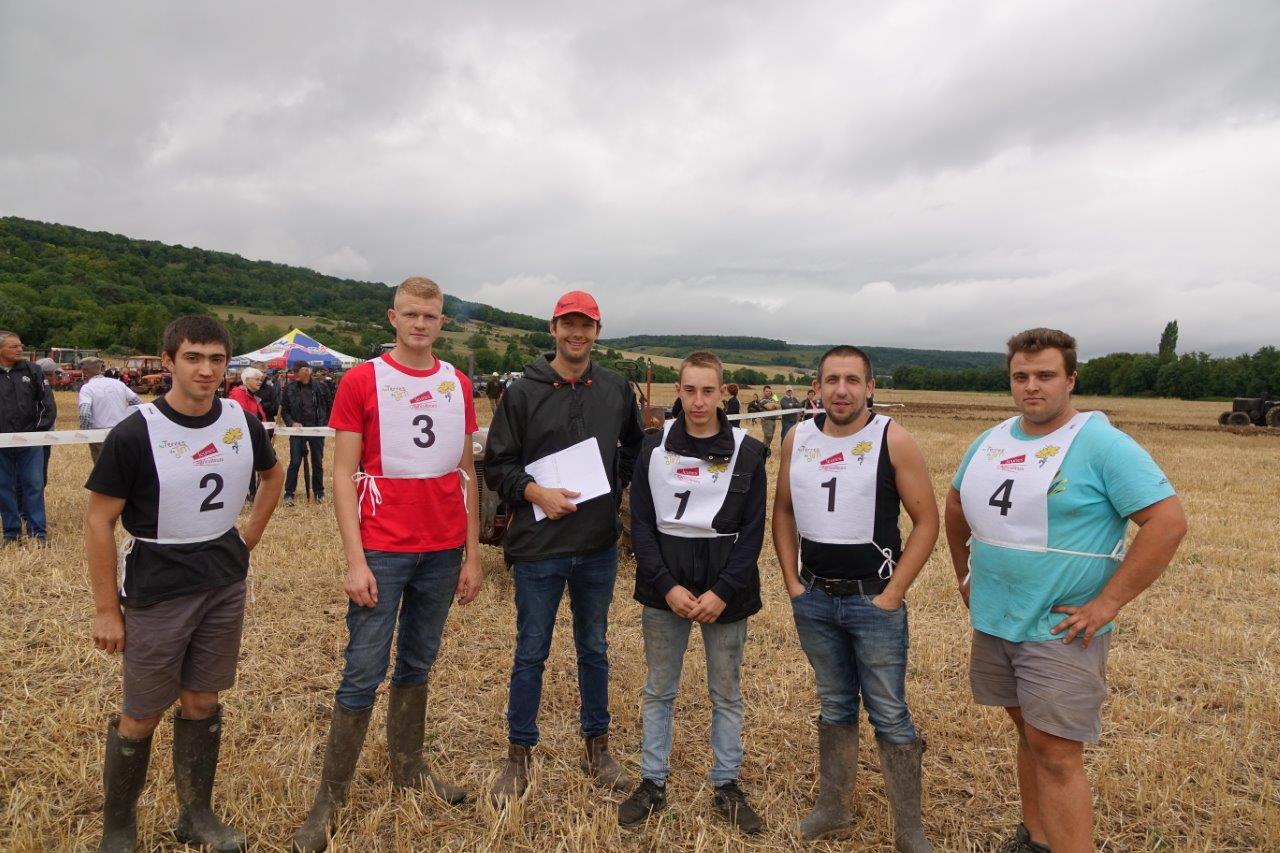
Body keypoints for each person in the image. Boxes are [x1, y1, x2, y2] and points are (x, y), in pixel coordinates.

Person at [944, 329, 1186, 853]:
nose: (1032, 387)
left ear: (1070, 380)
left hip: (1058, 627)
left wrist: (1108, 602)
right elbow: (957, 504)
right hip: (996, 618)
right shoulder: (991, 439)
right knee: (1029, 734)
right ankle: (1035, 838)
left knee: (1056, 752)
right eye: (1021, 377)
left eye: (1046, 376)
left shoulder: (1101, 443)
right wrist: (963, 574)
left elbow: (1166, 522)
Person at [292, 278, 483, 851]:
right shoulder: (361, 380)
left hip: (444, 549)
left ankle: (409, 766)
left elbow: (466, 476)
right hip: (384, 549)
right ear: (392, 318)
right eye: (410, 314)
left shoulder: (459, 384)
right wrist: (355, 559)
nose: (420, 323)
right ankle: (330, 797)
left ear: (441, 322)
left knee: (418, 663)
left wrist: (472, 555)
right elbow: (343, 476)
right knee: (362, 671)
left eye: (431, 315)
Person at [84, 315, 282, 852]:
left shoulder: (241, 418)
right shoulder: (136, 431)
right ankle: (118, 828)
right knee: (142, 712)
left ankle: (196, 816)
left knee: (202, 700)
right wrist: (107, 609)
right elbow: (98, 521)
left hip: (223, 580)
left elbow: (272, 474)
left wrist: (250, 536)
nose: (206, 369)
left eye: (217, 359)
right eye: (193, 357)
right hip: (158, 586)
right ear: (167, 362)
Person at [773, 345, 939, 849]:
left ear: (870, 387)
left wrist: (894, 594)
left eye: (851, 380)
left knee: (889, 710)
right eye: (830, 379)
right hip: (816, 600)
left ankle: (909, 830)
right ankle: (832, 808)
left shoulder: (893, 438)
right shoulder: (796, 438)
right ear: (817, 387)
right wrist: (792, 583)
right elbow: (782, 512)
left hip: (873, 602)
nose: (840, 389)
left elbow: (926, 522)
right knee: (834, 703)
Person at [483, 290, 645, 801]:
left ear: (597, 331)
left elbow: (634, 449)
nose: (577, 334)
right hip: (539, 547)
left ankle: (597, 748)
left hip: (597, 545)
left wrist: (611, 487)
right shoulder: (523, 392)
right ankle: (518, 755)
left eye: (587, 325)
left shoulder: (617, 389)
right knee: (531, 651)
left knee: (594, 648)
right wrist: (536, 493)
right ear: (552, 328)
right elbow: (497, 465)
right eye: (568, 324)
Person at [621, 351, 767, 835]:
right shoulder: (653, 446)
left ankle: (727, 783)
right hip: (666, 586)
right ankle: (652, 781)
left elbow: (752, 532)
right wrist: (666, 585)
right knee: (659, 688)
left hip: (726, 591)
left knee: (725, 692)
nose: (698, 401)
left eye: (708, 391)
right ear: (677, 391)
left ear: (723, 392)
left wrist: (724, 591)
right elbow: (640, 522)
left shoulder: (748, 450)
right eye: (689, 390)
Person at [0, 330, 53, 544]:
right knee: (4, 486)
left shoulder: (33, 370)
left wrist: (36, 434)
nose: (20, 349)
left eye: (20, 345)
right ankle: (11, 533)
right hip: (1, 443)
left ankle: (37, 532)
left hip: (31, 443)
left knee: (33, 484)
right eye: (14, 346)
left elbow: (47, 404)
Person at [78, 357, 144, 464]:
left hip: (99, 436)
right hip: (122, 434)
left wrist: (87, 434)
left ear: (84, 371)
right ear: (101, 369)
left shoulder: (87, 388)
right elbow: (138, 403)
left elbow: (84, 413)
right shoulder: (118, 384)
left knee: (103, 470)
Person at [281, 364, 330, 505]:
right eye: (294, 371)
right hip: (298, 431)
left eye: (298, 371)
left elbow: (328, 405)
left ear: (307, 372)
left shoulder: (321, 387)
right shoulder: (289, 388)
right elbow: (284, 410)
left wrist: (324, 423)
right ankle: (289, 494)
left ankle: (319, 493)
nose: (294, 373)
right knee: (295, 461)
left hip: (317, 430)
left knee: (317, 462)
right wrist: (292, 423)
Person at [229, 368, 270, 504]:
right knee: (246, 467)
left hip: (254, 436)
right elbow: (244, 417)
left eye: (261, 380)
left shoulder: (252, 396)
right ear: (246, 380)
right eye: (257, 379)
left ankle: (253, 494)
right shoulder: (238, 394)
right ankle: (247, 495)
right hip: (244, 437)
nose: (260, 382)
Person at [758, 385, 780, 451]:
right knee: (768, 436)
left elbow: (779, 405)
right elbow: (769, 407)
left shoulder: (772, 399)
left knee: (770, 437)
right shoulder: (762, 400)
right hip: (766, 420)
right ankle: (763, 450)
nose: (768, 392)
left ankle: (766, 451)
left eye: (770, 391)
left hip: (773, 420)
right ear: (763, 392)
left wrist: (773, 404)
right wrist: (774, 405)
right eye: (767, 391)